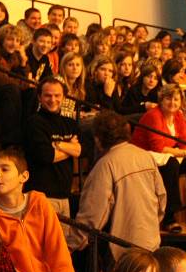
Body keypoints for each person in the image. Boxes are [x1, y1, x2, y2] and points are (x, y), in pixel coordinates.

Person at [67, 112, 165, 261]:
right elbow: (161, 198)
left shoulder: (106, 165)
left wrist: (71, 245)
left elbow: (93, 215)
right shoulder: (145, 156)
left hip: (122, 250)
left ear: (98, 138)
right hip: (151, 243)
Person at [131, 84, 186, 233]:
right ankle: (169, 218)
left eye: (176, 99)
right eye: (168, 98)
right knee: (172, 164)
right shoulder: (153, 115)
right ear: (161, 99)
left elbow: (183, 142)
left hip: (164, 155)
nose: (172, 102)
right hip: (143, 156)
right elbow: (158, 148)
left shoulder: (177, 116)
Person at [24, 76, 81, 237]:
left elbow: (79, 151)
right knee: (43, 246)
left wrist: (58, 145)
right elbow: (46, 156)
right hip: (42, 195)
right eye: (48, 95)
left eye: (57, 95)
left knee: (62, 248)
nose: (53, 99)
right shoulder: (34, 122)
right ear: (40, 97)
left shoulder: (70, 123)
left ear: (63, 97)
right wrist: (69, 147)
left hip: (64, 196)